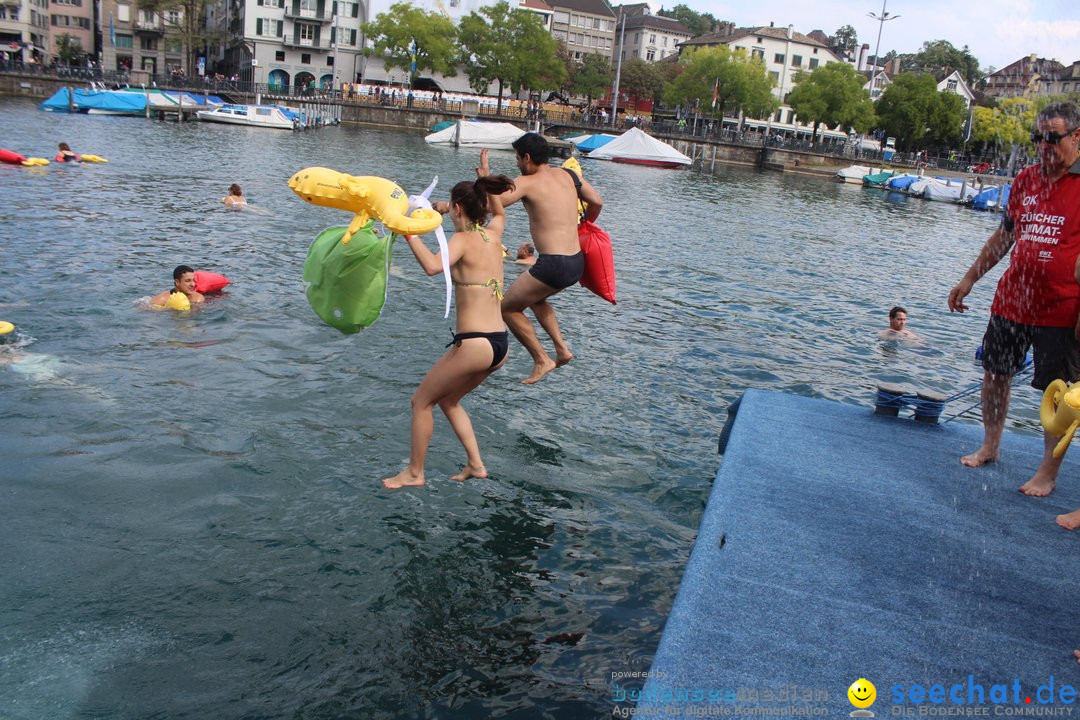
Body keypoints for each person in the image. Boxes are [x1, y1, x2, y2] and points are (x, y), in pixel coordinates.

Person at [947, 101, 1080, 496]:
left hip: (1062, 307)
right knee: (995, 373)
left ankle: (1047, 472)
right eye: (1037, 137)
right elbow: (1005, 236)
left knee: (1060, 392)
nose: (1043, 146)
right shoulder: (1024, 180)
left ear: (1077, 136)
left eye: (1052, 138)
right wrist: (970, 277)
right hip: (1013, 299)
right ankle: (990, 445)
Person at [381, 173, 516, 490]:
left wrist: (408, 231)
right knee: (449, 400)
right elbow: (500, 213)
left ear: (457, 208)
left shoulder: (461, 240)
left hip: (474, 344)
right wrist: (471, 187)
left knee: (421, 402)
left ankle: (415, 472)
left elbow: (432, 266)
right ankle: (476, 464)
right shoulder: (493, 234)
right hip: (500, 345)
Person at [475, 134, 603, 384]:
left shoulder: (526, 183)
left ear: (527, 157)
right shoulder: (569, 175)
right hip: (576, 262)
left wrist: (485, 179)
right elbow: (597, 201)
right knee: (535, 297)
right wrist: (582, 227)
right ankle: (562, 350)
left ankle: (541, 359)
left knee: (507, 307)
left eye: (517, 158)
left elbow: (491, 207)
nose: (516, 163)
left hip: (553, 264)